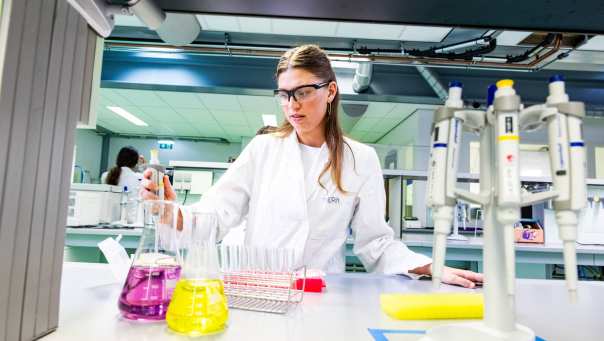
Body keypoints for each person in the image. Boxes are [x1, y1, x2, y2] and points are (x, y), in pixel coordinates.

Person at [141, 45, 482, 287]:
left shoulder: (360, 159)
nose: (292, 105)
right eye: (284, 94)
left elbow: (375, 243)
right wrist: (170, 212)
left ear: (331, 90)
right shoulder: (263, 149)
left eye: (303, 92)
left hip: (321, 293)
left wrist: (427, 265)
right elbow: (216, 216)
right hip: (259, 290)